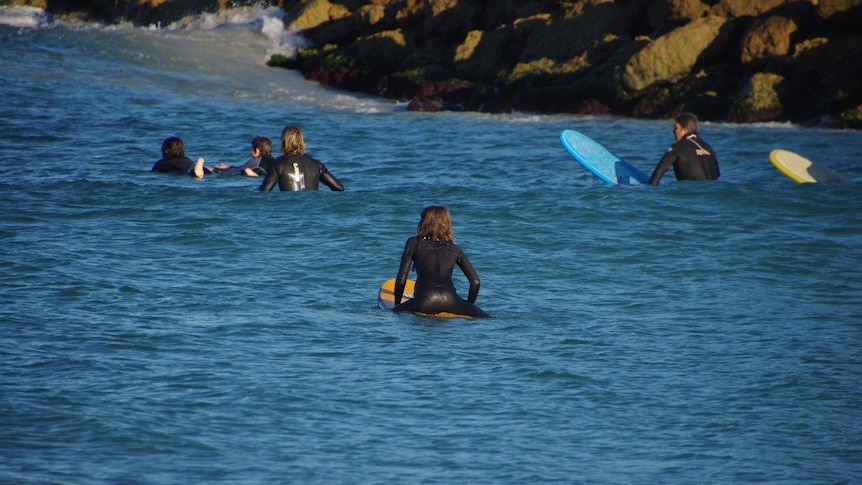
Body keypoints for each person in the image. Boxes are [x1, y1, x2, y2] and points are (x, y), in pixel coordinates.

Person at [393, 206, 489, 318]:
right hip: (451, 302)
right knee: (487, 318)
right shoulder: (454, 248)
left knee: (391, 312)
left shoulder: (414, 243)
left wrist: (397, 306)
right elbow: (475, 282)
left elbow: (401, 280)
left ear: (423, 222)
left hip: (424, 302)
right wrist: (468, 305)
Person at [258, 126, 344, 192]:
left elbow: (264, 192)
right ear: (302, 142)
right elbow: (339, 188)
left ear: (284, 142)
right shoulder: (317, 165)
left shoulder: (277, 164)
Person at [648, 112, 720, 185]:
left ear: (685, 129)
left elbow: (657, 175)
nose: (673, 131)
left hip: (691, 193)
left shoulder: (677, 147)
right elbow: (716, 175)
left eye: (676, 128)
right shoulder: (709, 148)